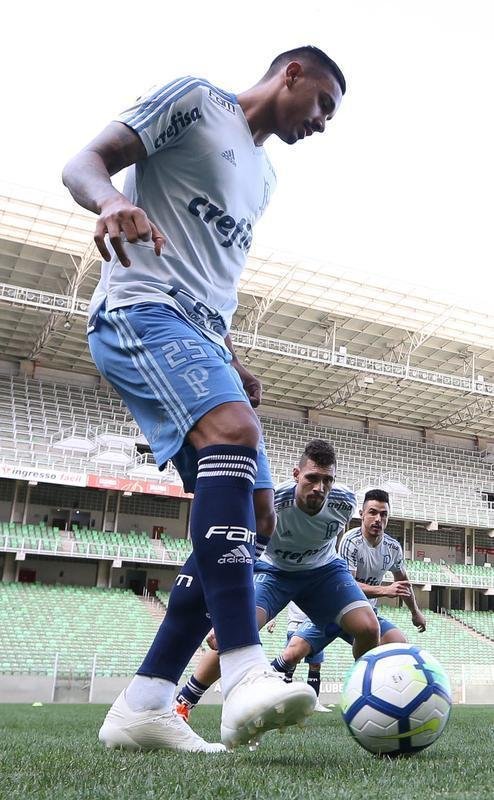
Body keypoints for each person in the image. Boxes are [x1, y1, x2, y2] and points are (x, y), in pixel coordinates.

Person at [62, 46, 346, 752]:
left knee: (258, 514)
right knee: (235, 432)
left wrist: (231, 356)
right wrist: (113, 200)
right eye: (323, 103)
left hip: (203, 337)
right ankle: (246, 670)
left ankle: (146, 701)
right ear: (291, 74)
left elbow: (212, 278)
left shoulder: (265, 177)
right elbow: (83, 163)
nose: (322, 122)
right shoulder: (196, 101)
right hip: (141, 308)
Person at [175, 439, 380, 723]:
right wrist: (227, 608)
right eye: (312, 478)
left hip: (323, 571)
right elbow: (244, 547)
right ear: (296, 475)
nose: (320, 487)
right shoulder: (271, 501)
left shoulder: (344, 503)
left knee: (369, 628)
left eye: (327, 480)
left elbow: (325, 537)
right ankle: (184, 702)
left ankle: (365, 695)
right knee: (233, 633)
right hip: (275, 572)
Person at [271, 489, 427, 674]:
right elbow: (346, 586)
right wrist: (384, 590)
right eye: (373, 512)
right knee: (291, 655)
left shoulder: (393, 548)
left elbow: (403, 582)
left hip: (366, 618)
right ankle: (264, 679)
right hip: (335, 612)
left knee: (399, 645)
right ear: (362, 514)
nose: (378, 519)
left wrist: (415, 612)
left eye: (383, 514)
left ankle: (364, 685)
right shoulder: (351, 541)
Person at [280, 602, 331, 712]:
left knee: (315, 665)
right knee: (290, 663)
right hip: (295, 625)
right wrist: (272, 620)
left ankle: (314, 702)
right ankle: (283, 701)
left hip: (314, 624)